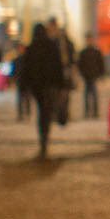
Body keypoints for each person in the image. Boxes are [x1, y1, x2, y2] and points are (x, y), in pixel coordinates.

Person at [20, 22, 67, 158]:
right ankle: (45, 135)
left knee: (42, 111)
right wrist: (61, 85)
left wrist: (24, 87)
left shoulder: (31, 48)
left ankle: (43, 138)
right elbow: (58, 67)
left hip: (37, 87)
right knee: (47, 111)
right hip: (50, 85)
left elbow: (25, 70)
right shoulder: (51, 46)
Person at [46, 17, 74, 127]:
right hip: (62, 69)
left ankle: (61, 114)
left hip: (61, 69)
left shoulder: (56, 39)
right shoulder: (61, 38)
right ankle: (61, 113)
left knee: (61, 92)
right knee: (61, 92)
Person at [76, 40, 106, 120]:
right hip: (87, 76)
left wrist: (101, 73)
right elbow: (80, 64)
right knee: (89, 94)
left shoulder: (94, 52)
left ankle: (93, 111)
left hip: (92, 75)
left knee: (92, 94)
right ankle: (88, 111)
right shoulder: (84, 52)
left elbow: (100, 63)